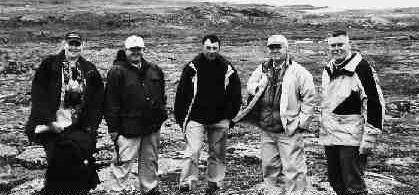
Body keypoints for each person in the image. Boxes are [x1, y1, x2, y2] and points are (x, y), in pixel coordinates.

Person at [233, 34, 317, 195]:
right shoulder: (263, 68)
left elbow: (310, 99)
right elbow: (250, 85)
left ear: (286, 49)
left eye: (279, 47)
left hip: (288, 129)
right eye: (272, 47)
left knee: (294, 169)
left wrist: (300, 124)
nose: (275, 50)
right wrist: (258, 87)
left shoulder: (299, 72)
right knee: (270, 167)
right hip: (267, 129)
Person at [25, 32, 104, 194]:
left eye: (77, 44)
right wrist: (49, 121)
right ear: (64, 44)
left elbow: (98, 101)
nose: (74, 47)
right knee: (56, 167)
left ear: (83, 46)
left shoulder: (89, 69)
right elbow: (38, 95)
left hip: (79, 128)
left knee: (80, 168)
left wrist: (91, 128)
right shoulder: (49, 65)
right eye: (71, 43)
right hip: (52, 127)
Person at [174, 34, 242, 194]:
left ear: (219, 48)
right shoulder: (192, 67)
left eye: (214, 48)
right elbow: (181, 95)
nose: (211, 51)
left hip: (219, 119)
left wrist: (229, 118)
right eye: (208, 48)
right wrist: (181, 119)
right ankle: (187, 183)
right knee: (193, 149)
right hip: (195, 118)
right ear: (202, 47)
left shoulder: (227, 68)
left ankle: (214, 183)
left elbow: (236, 95)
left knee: (218, 153)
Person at [320, 30, 385, 195]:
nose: (336, 48)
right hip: (331, 136)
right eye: (332, 45)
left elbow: (374, 103)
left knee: (354, 185)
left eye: (340, 44)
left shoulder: (361, 68)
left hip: (352, 138)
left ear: (349, 44)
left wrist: (370, 138)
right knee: (336, 181)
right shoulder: (328, 69)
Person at [104, 35, 168, 195]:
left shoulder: (154, 70)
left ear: (143, 50)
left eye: (138, 49)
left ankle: (150, 189)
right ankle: (116, 191)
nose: (136, 53)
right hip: (127, 128)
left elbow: (162, 95)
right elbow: (110, 104)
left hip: (151, 126)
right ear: (125, 50)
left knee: (150, 161)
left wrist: (161, 114)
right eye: (132, 50)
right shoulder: (116, 72)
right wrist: (113, 130)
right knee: (122, 163)